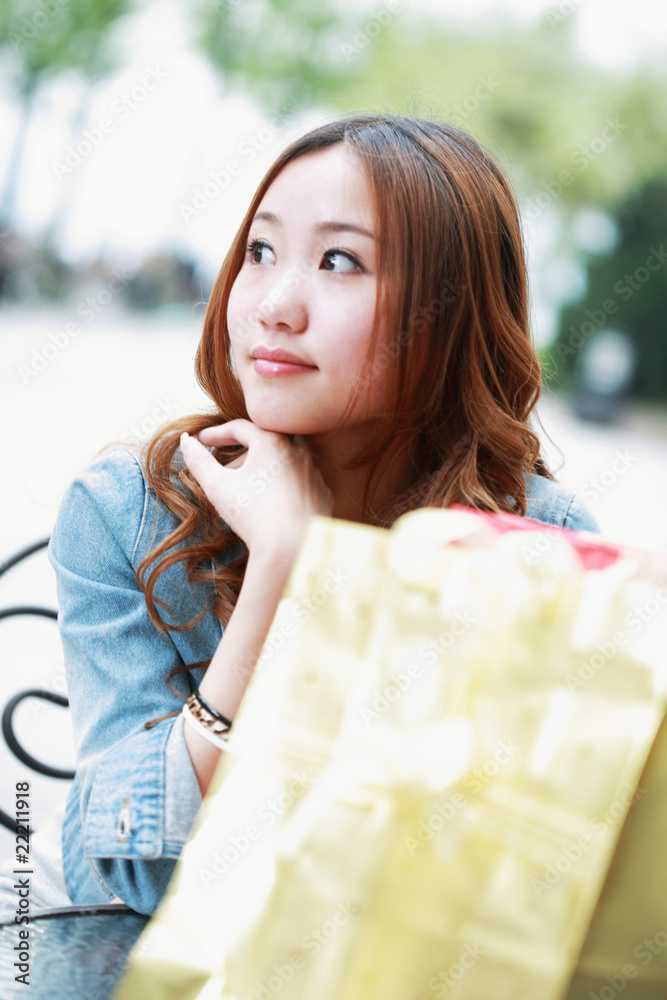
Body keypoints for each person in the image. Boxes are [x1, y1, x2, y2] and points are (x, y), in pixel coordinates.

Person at [0, 114, 598, 922]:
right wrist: (281, 569)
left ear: (448, 312)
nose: (274, 306)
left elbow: (519, 884)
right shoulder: (127, 512)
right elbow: (121, 870)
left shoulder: (538, 540)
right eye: (259, 251)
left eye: (340, 261)